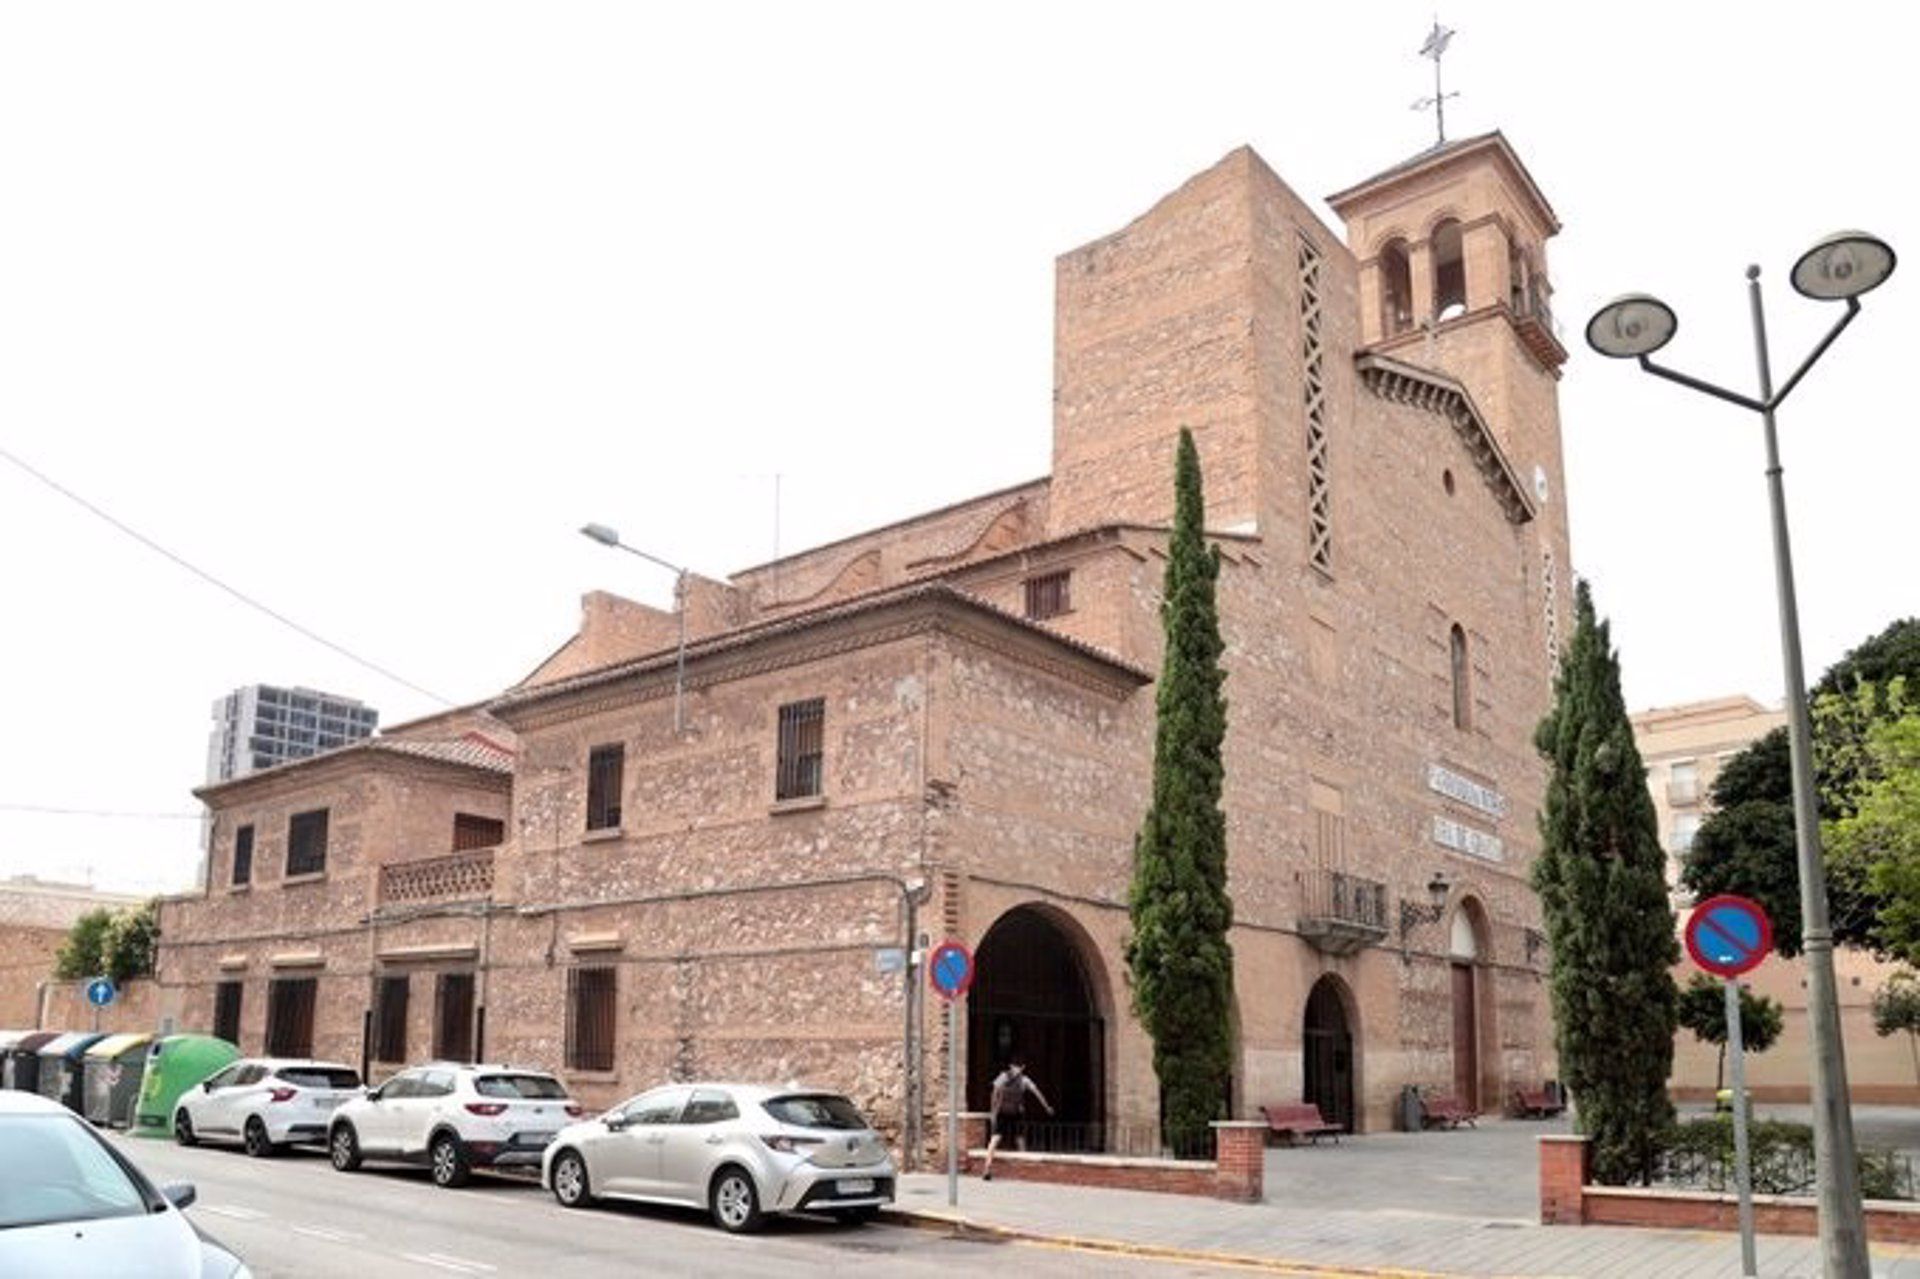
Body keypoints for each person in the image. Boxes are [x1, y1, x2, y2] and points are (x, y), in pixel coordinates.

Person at [980, 1057, 1052, 1181]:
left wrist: (993, 1112)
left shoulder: (1003, 1076)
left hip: (1002, 1111)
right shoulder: (1024, 1080)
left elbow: (994, 1093)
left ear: (1011, 1065)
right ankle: (1025, 1169)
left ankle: (987, 1167)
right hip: (1016, 1112)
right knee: (1020, 1138)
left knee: (995, 1139)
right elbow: (1037, 1093)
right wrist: (1047, 1107)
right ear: (1023, 1067)